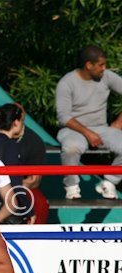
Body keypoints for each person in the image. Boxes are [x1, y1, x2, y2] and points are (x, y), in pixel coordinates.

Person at [56, 45, 122, 200]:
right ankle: (71, 187)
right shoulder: (67, 82)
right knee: (71, 148)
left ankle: (110, 182)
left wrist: (119, 122)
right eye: (101, 65)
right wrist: (88, 133)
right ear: (88, 65)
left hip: (101, 129)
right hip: (72, 129)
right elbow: (63, 117)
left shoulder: (106, 76)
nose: (104, 68)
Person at [0, 104, 35, 224]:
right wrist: (28, 210)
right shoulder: (11, 145)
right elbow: (13, 180)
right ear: (16, 122)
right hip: (0, 206)